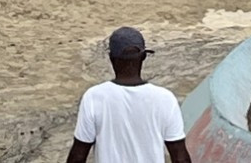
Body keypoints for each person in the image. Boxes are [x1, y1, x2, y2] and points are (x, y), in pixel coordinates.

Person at [67, 26, 189, 163]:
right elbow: (180, 158)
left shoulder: (94, 97)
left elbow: (78, 156)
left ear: (111, 58)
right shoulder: (165, 99)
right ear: (143, 57)